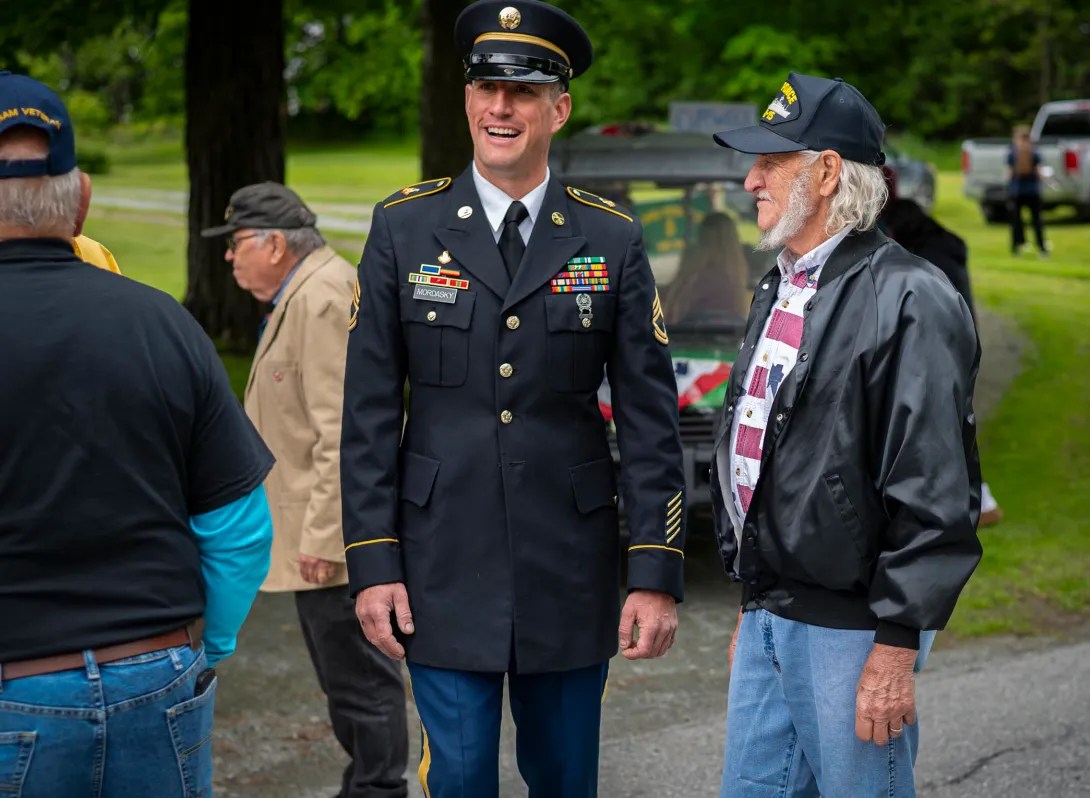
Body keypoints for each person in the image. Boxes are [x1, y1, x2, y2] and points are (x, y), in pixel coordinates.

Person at [339, 3, 685, 797]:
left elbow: (648, 419)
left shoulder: (612, 239)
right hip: (439, 566)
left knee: (565, 779)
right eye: (488, 88)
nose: (502, 108)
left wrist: (655, 571)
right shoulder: (403, 227)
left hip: (567, 566)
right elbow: (364, 413)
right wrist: (373, 562)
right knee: (456, 778)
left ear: (558, 109)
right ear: (466, 100)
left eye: (523, 93)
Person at [0, 71, 274, 796]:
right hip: (158, 679)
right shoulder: (162, 322)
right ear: (81, 198)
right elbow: (239, 527)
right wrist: (201, 645)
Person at [709, 73, 982, 797]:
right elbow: (763, 449)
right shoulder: (781, 283)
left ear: (827, 172)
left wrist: (895, 647)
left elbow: (935, 486)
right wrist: (754, 598)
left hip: (854, 629)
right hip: (772, 610)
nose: (750, 179)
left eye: (770, 162)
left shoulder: (911, 296)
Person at [201, 183, 410, 797]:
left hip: (332, 541)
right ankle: (368, 782)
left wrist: (327, 538)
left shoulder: (320, 298)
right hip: (316, 534)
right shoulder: (304, 291)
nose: (229, 257)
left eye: (238, 243)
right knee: (343, 676)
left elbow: (344, 431)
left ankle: (377, 788)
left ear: (273, 243)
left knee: (358, 678)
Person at [878, 170, 1003, 527]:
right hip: (954, 350)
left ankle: (973, 502)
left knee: (939, 431)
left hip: (938, 354)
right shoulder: (943, 251)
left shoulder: (925, 265)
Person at [663, 211, 751, 323]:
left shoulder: (704, 278)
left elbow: (675, 312)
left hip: (691, 336)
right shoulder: (735, 275)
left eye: (706, 240)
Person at [1007, 124, 1048, 256]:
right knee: (1036, 221)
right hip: (1032, 191)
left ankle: (1016, 247)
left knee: (1016, 221)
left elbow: (1009, 173)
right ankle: (1042, 248)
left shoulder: (1012, 152)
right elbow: (1039, 170)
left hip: (1017, 190)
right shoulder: (1034, 152)